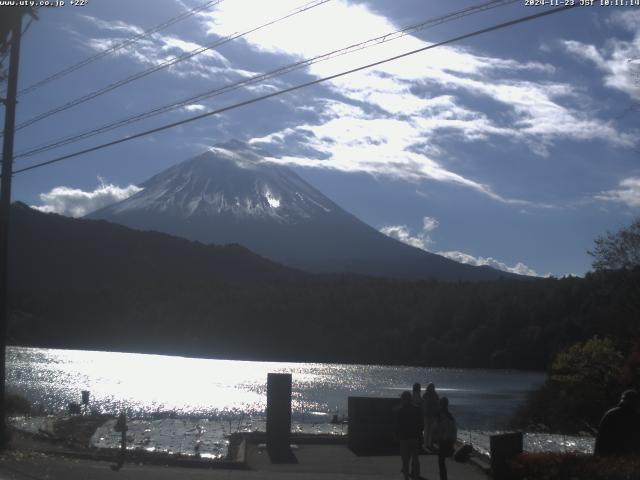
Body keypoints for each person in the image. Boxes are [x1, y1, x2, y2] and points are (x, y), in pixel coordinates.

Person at [594, 389, 640, 456]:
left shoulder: (610, 414)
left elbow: (599, 441)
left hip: (607, 457)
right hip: (626, 458)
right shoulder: (636, 417)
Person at [395, 391, 424, 480]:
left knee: (405, 461)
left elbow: (397, 426)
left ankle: (406, 478)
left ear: (403, 399)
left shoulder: (400, 411)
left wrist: (396, 435)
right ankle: (415, 477)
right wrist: (420, 435)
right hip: (414, 437)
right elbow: (421, 424)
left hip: (404, 438)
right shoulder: (417, 409)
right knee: (415, 460)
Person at [433, 397, 457, 480]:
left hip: (443, 440)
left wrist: (436, 437)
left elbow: (437, 427)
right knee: (443, 460)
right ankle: (443, 478)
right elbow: (454, 429)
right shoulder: (450, 415)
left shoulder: (440, 415)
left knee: (441, 461)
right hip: (450, 440)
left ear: (440, 404)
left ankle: (443, 478)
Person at [422, 382, 439, 450]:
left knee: (427, 430)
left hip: (428, 415)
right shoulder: (435, 395)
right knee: (430, 430)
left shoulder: (425, 395)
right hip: (430, 415)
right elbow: (437, 405)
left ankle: (426, 443)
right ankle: (429, 444)